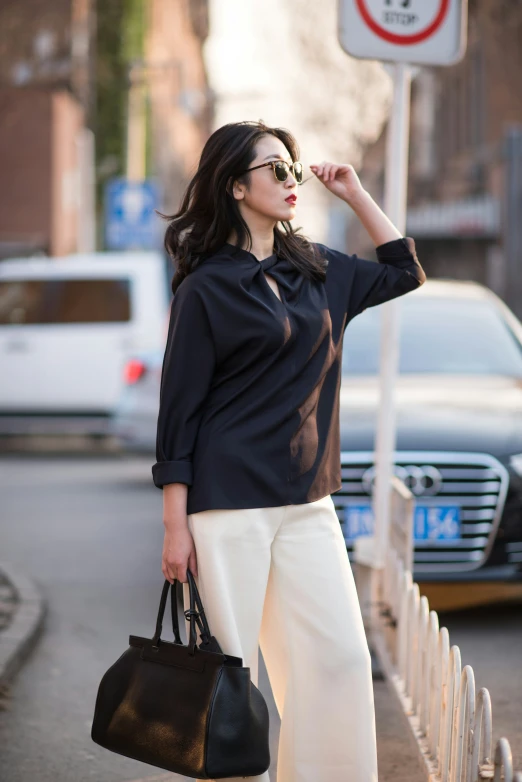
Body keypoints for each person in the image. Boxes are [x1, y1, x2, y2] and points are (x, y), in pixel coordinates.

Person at [152, 120, 426, 782]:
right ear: (237, 187)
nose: (292, 179)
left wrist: (357, 194)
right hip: (226, 506)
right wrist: (175, 525)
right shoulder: (205, 289)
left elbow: (404, 271)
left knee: (335, 661)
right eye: (275, 169)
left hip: (308, 501)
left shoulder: (319, 270)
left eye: (293, 167)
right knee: (233, 675)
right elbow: (180, 413)